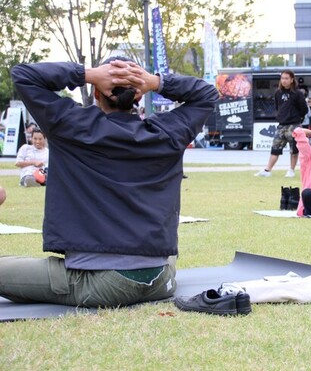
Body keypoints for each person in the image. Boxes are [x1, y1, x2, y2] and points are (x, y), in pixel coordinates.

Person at [1, 58, 218, 308]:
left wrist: (88, 73)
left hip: (101, 281)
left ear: (96, 92)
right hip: (160, 278)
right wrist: (154, 82)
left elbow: (24, 75)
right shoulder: (167, 133)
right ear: (138, 95)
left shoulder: (72, 126)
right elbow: (206, 93)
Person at [255, 69, 308, 178]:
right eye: (282, 78)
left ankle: (291, 170)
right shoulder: (278, 92)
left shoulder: (298, 93)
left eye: (286, 78)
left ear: (292, 79)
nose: (284, 81)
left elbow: (304, 109)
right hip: (281, 125)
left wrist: (297, 118)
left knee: (294, 149)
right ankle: (267, 170)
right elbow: (277, 107)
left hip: (294, 124)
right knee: (275, 147)